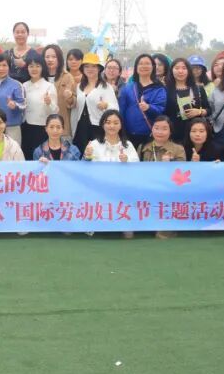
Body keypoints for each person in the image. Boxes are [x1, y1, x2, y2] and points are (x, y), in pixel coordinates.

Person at [82, 110, 139, 239]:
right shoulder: (94, 144)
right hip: (99, 188)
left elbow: (137, 168)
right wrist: (87, 156)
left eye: (115, 123)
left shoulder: (128, 145)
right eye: (108, 122)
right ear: (102, 124)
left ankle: (125, 224)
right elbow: (84, 169)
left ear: (121, 125)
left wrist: (127, 161)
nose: (111, 126)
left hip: (122, 188)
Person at [139, 115, 185, 240]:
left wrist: (171, 164)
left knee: (163, 235)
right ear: (152, 129)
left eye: (164, 128)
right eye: (156, 128)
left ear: (170, 131)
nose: (160, 132)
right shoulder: (143, 147)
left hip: (168, 193)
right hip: (147, 190)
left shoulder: (178, 149)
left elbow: (182, 175)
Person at [119, 54, 167, 150]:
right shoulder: (128, 88)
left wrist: (149, 107)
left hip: (151, 134)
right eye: (140, 63)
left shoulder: (159, 88)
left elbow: (162, 109)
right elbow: (121, 111)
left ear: (153, 67)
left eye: (147, 63)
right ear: (136, 68)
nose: (144, 66)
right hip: (129, 134)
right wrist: (121, 132)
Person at [72, 52, 117, 153]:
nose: (90, 69)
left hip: (98, 128)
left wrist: (106, 105)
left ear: (99, 69)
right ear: (83, 69)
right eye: (87, 66)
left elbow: (115, 108)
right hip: (81, 127)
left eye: (93, 66)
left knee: (97, 154)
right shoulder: (79, 86)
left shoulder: (106, 87)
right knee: (81, 154)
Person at [0, 52, 26, 145]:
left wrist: (15, 105)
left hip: (12, 128)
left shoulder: (16, 85)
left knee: (13, 153)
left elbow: (23, 105)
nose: (1, 68)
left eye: (4, 65)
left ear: (9, 67)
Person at [21, 51, 57, 159]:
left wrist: (49, 103)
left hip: (42, 129)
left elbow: (55, 111)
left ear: (42, 68)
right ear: (27, 68)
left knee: (41, 158)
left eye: (37, 66)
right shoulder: (24, 86)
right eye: (31, 66)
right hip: (26, 127)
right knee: (27, 157)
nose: (34, 69)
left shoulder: (49, 86)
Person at [166, 56, 210, 144]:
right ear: (171, 70)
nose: (180, 71)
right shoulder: (166, 90)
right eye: (177, 68)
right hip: (175, 133)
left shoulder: (198, 88)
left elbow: (209, 110)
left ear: (189, 71)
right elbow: (164, 113)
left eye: (184, 68)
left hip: (196, 133)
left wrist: (199, 112)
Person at [43, 44, 77, 139]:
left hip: (61, 127)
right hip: (41, 126)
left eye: (54, 57)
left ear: (59, 59)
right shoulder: (39, 76)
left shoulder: (67, 77)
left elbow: (74, 103)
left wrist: (70, 97)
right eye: (47, 57)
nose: (50, 60)